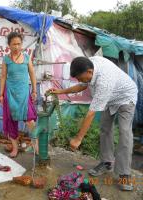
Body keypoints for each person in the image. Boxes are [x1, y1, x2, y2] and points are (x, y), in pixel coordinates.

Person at [49, 56, 138, 191]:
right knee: (104, 128)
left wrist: (78, 139)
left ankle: (124, 173)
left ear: (90, 72)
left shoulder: (104, 81)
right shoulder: (88, 64)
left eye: (80, 77)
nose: (79, 81)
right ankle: (107, 162)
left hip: (126, 97)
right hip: (110, 98)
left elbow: (90, 114)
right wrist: (61, 91)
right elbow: (81, 85)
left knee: (125, 133)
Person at [0, 32, 37, 158]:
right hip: (10, 94)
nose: (16, 46)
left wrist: (34, 91)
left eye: (19, 44)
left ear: (22, 44)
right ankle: (15, 149)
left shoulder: (27, 58)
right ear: (9, 45)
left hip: (24, 93)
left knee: (30, 120)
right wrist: (1, 94)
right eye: (14, 44)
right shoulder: (6, 59)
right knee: (11, 122)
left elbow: (32, 74)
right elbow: (3, 76)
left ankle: (36, 146)